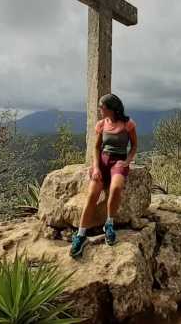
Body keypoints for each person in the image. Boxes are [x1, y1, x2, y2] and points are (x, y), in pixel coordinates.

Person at [70, 93, 138, 258]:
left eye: (102, 107)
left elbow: (134, 146)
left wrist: (127, 161)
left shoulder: (128, 124)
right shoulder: (101, 125)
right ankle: (81, 235)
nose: (100, 110)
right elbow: (96, 147)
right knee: (92, 194)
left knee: (116, 188)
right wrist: (96, 168)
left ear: (112, 109)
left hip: (118, 162)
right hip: (102, 161)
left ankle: (109, 224)